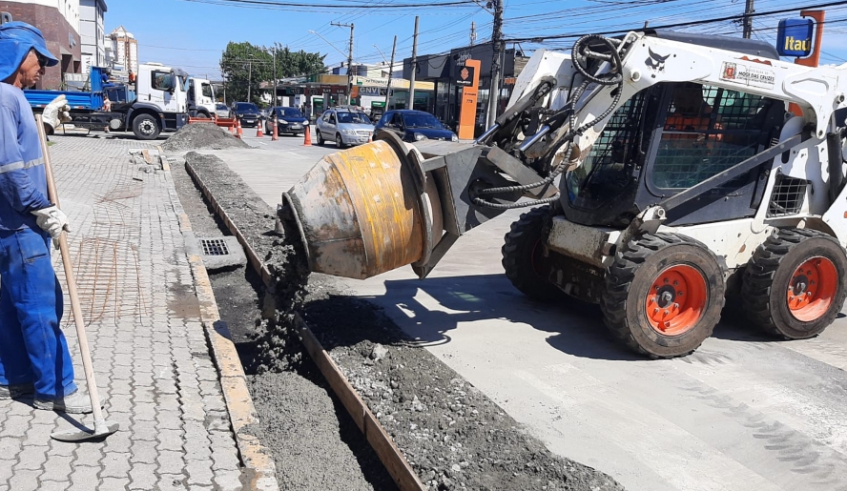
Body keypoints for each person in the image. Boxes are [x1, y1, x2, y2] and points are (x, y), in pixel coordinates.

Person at [0, 21, 92, 413]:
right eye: (39, 58)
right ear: (19, 55)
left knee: (13, 304)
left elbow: (19, 150)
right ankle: (54, 389)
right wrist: (43, 208)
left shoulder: (12, 98)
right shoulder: (5, 98)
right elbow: (9, 168)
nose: (44, 67)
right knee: (41, 307)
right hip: (22, 224)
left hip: (12, 224)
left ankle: (14, 377)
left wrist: (47, 123)